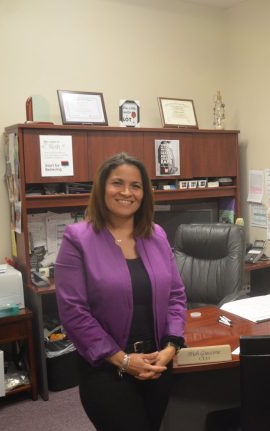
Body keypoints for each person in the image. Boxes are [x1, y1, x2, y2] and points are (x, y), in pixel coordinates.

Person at [55, 152, 187, 431]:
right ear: (102, 188)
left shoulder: (157, 234)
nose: (127, 192)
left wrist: (171, 346)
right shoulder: (77, 238)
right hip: (107, 367)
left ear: (144, 193)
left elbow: (175, 295)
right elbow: (73, 312)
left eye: (136, 185)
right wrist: (123, 361)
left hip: (157, 362)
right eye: (117, 183)